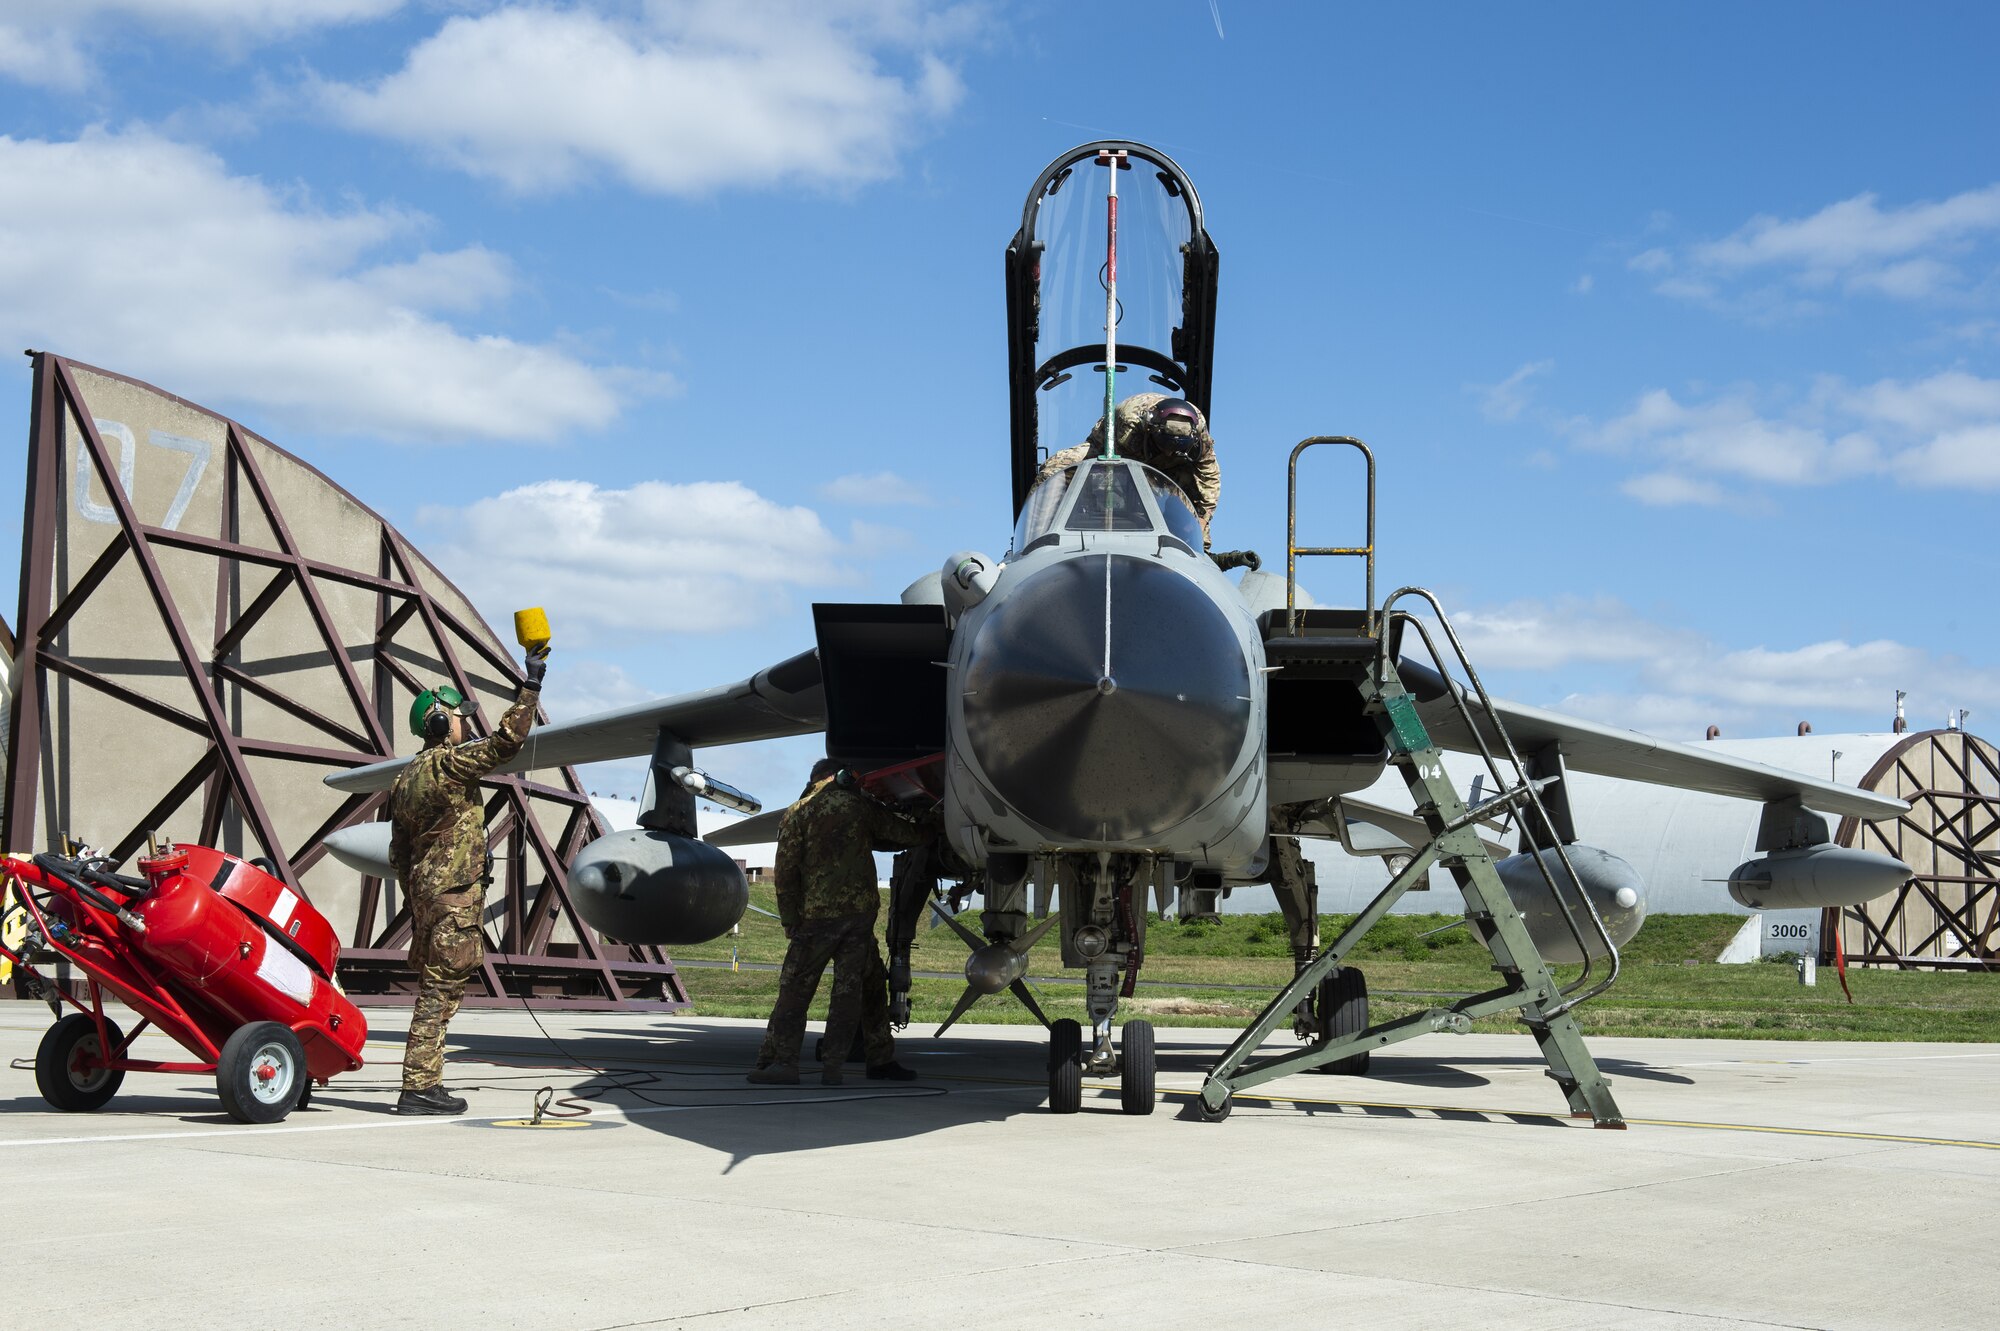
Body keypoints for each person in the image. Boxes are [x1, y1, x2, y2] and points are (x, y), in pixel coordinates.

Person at [387, 648, 547, 1115]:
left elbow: (400, 853)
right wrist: (531, 686)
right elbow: (506, 742)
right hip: (453, 898)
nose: (464, 725)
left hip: (428, 897)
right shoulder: (446, 764)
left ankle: (425, 1082)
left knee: (437, 985)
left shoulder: (404, 778)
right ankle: (418, 1086)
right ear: (439, 724)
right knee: (441, 989)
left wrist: (420, 894)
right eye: (458, 718)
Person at [749, 759, 929, 1086]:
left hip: (815, 921)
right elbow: (901, 834)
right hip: (858, 920)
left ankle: (785, 1063)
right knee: (854, 991)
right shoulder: (859, 807)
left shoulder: (798, 812)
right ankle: (837, 1068)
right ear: (838, 776)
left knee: (795, 992)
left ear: (815, 779)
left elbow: (785, 873)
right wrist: (937, 826)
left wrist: (789, 919)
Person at [1037, 392, 1223, 541]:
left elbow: (1209, 475)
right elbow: (1121, 471)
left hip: (1172, 465)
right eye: (1165, 446)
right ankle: (1037, 535)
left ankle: (1200, 556)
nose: (1167, 453)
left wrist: (1202, 519)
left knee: (1192, 516)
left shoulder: (1199, 433)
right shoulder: (1130, 424)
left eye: (1173, 448)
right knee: (1055, 469)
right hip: (1112, 449)